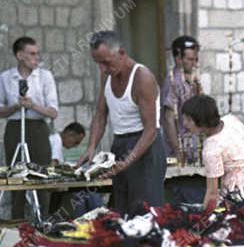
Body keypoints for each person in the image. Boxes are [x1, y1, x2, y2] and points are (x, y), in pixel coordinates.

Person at [80, 30, 166, 212]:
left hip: (146, 147)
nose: (102, 69)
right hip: (120, 143)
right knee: (123, 210)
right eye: (98, 63)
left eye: (106, 62)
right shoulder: (107, 75)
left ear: (121, 53)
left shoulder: (142, 78)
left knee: (145, 213)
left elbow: (150, 130)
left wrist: (127, 162)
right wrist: (91, 147)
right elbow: (100, 114)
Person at [180, 95, 244, 209]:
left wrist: (204, 217)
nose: (184, 123)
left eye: (189, 119)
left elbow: (212, 193)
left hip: (239, 192)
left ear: (202, 121)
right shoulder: (231, 120)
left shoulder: (211, 148)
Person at [0, 36, 59, 168]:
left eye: (37, 53)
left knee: (41, 172)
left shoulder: (45, 76)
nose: (37, 57)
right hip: (14, 128)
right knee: (15, 173)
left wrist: (32, 105)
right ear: (20, 55)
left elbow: (53, 112)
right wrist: (16, 107)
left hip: (37, 128)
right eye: (32, 54)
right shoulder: (5, 77)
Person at [160, 35, 202, 166]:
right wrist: (178, 152)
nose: (194, 64)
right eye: (190, 59)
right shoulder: (172, 82)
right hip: (179, 152)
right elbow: (168, 119)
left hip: (194, 148)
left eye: (196, 59)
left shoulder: (192, 80)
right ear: (178, 58)